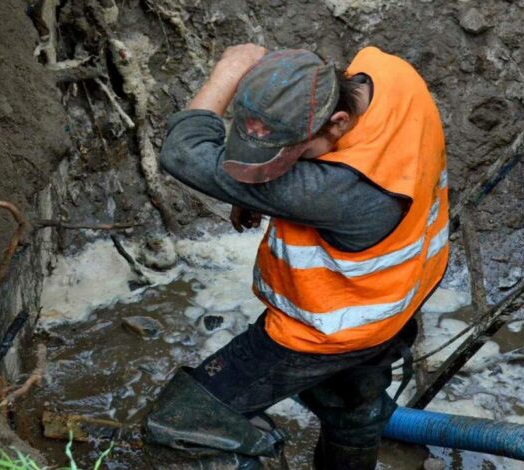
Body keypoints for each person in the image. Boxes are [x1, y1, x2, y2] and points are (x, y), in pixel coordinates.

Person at [146, 43, 449, 469]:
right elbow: (296, 93)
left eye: (288, 158)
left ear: (338, 122)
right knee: (351, 407)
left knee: (185, 424)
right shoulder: (388, 73)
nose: (275, 170)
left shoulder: (338, 190)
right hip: (395, 298)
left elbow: (184, 149)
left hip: (324, 330)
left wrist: (230, 71)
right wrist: (261, 181)